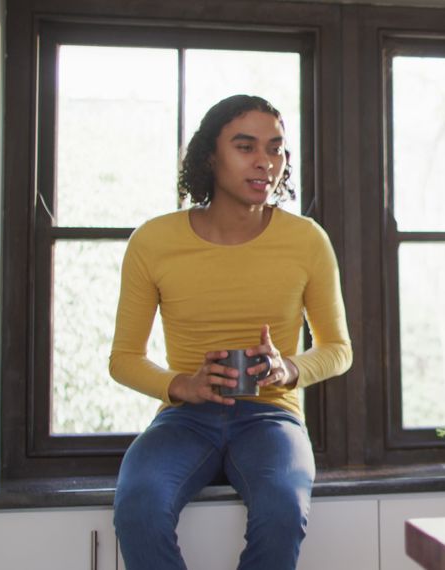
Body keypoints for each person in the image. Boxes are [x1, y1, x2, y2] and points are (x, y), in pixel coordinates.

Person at [109, 94, 352, 569]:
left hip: (271, 418)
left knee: (282, 509)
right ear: (209, 157)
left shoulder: (306, 240)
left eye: (277, 148)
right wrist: (182, 385)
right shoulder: (154, 241)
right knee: (138, 507)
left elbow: (339, 349)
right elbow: (123, 358)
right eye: (246, 146)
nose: (266, 162)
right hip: (185, 419)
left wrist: (288, 369)